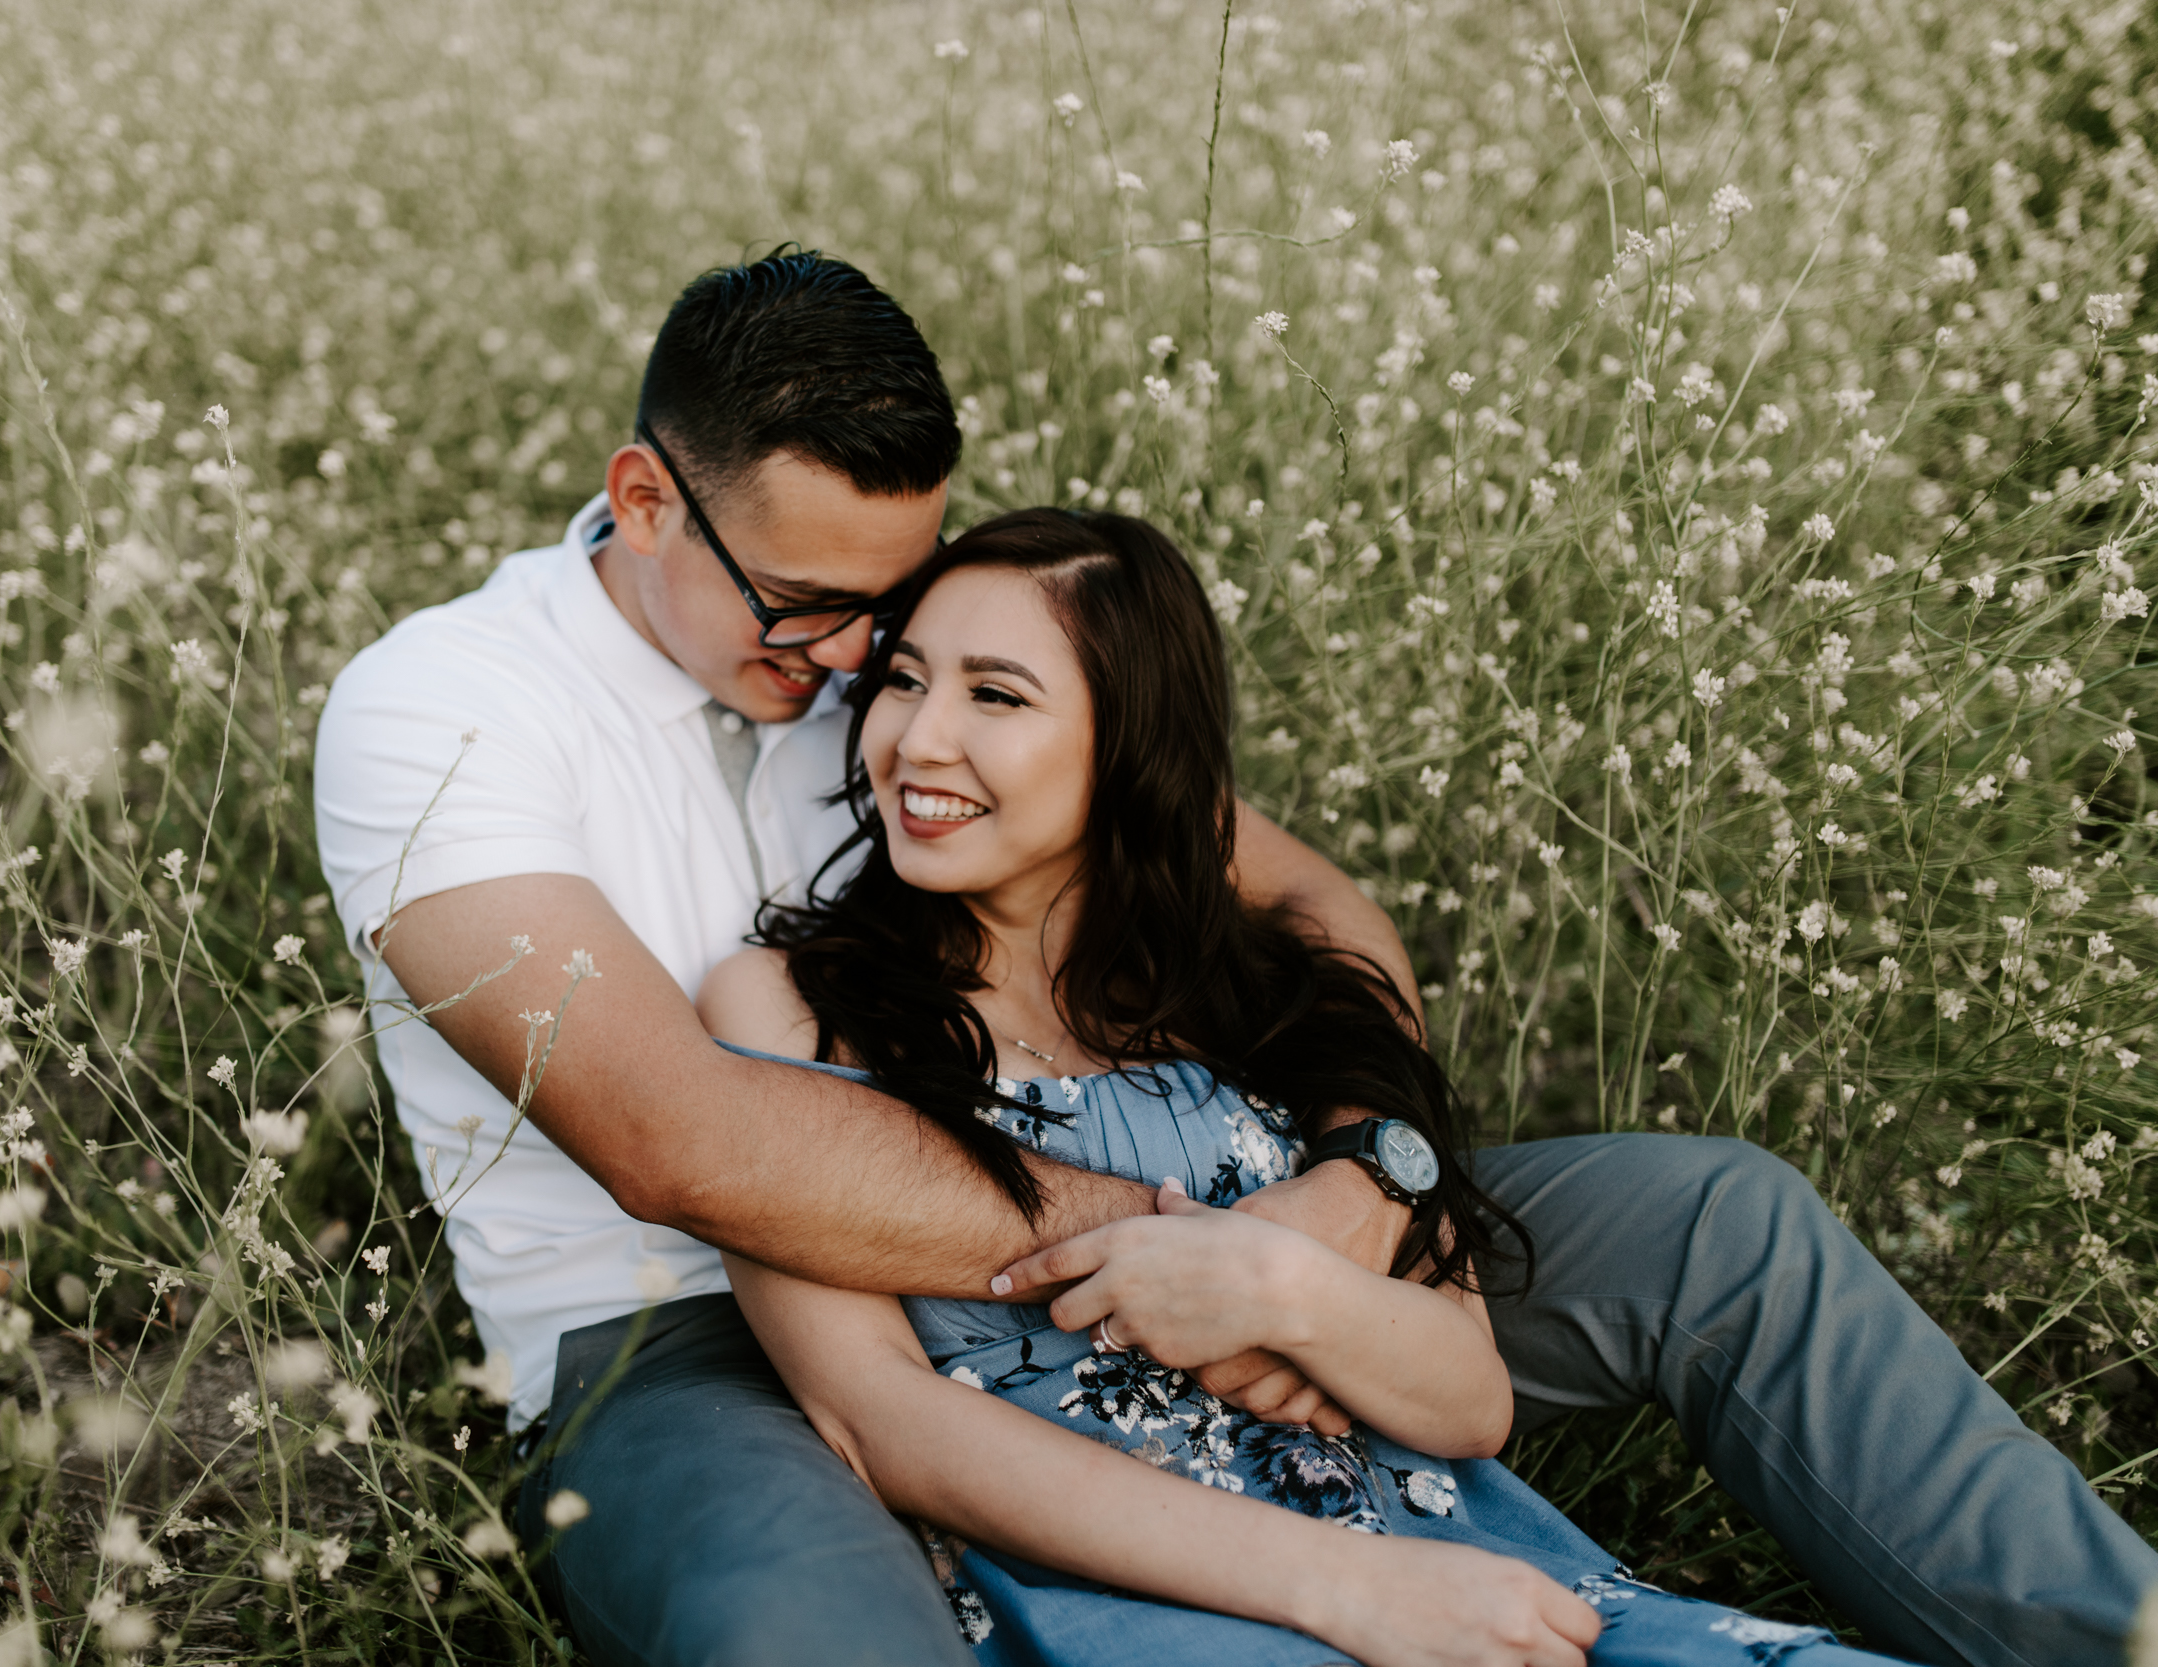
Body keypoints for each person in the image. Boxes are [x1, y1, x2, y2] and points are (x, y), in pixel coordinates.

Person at [312, 248, 2156, 1667]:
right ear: (645, 502)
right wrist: (1184, 1259)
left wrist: (1356, 1187)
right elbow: (683, 1140)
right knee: (812, 1625)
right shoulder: (442, 711)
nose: (864, 662)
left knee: (1715, 1224)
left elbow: (1321, 913)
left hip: (1191, 1213)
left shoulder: (910, 662)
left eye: (901, 595)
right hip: (685, 1325)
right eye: (809, 610)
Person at [698, 506, 1921, 1665]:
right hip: (1151, 1605)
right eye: (903, 679)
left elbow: (1468, 1394)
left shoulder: (1258, 997)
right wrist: (1350, 1589)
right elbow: (879, 1418)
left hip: (1468, 1571)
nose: (917, 738)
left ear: (1128, 746)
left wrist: (1284, 1286)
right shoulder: (788, 1008)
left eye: (995, 696)